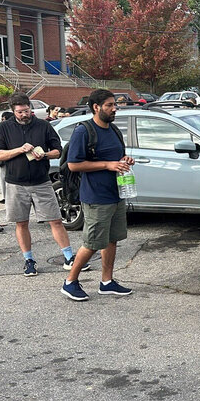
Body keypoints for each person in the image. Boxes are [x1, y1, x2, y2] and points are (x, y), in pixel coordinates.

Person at [0, 92, 88, 276]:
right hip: (15, 183)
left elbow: (58, 151)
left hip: (41, 182)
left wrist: (43, 154)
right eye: (20, 112)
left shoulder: (43, 126)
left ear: (31, 109)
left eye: (26, 110)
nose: (24, 115)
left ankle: (69, 257)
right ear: (13, 111)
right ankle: (29, 260)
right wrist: (20, 150)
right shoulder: (4, 127)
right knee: (21, 223)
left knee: (56, 220)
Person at [61, 89, 135, 301]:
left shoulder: (113, 130)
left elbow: (116, 157)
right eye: (110, 105)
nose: (114, 109)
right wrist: (107, 165)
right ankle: (70, 282)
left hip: (116, 193)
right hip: (96, 197)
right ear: (96, 107)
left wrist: (124, 160)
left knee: (112, 240)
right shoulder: (83, 131)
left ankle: (107, 282)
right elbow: (74, 164)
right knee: (92, 242)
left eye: (115, 105)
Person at [0, 111, 13, 205]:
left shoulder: (7, 130)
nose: (2, 121)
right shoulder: (3, 129)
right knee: (3, 180)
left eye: (3, 119)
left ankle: (7, 198)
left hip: (8, 160)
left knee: (5, 180)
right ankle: (5, 197)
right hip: (3, 160)